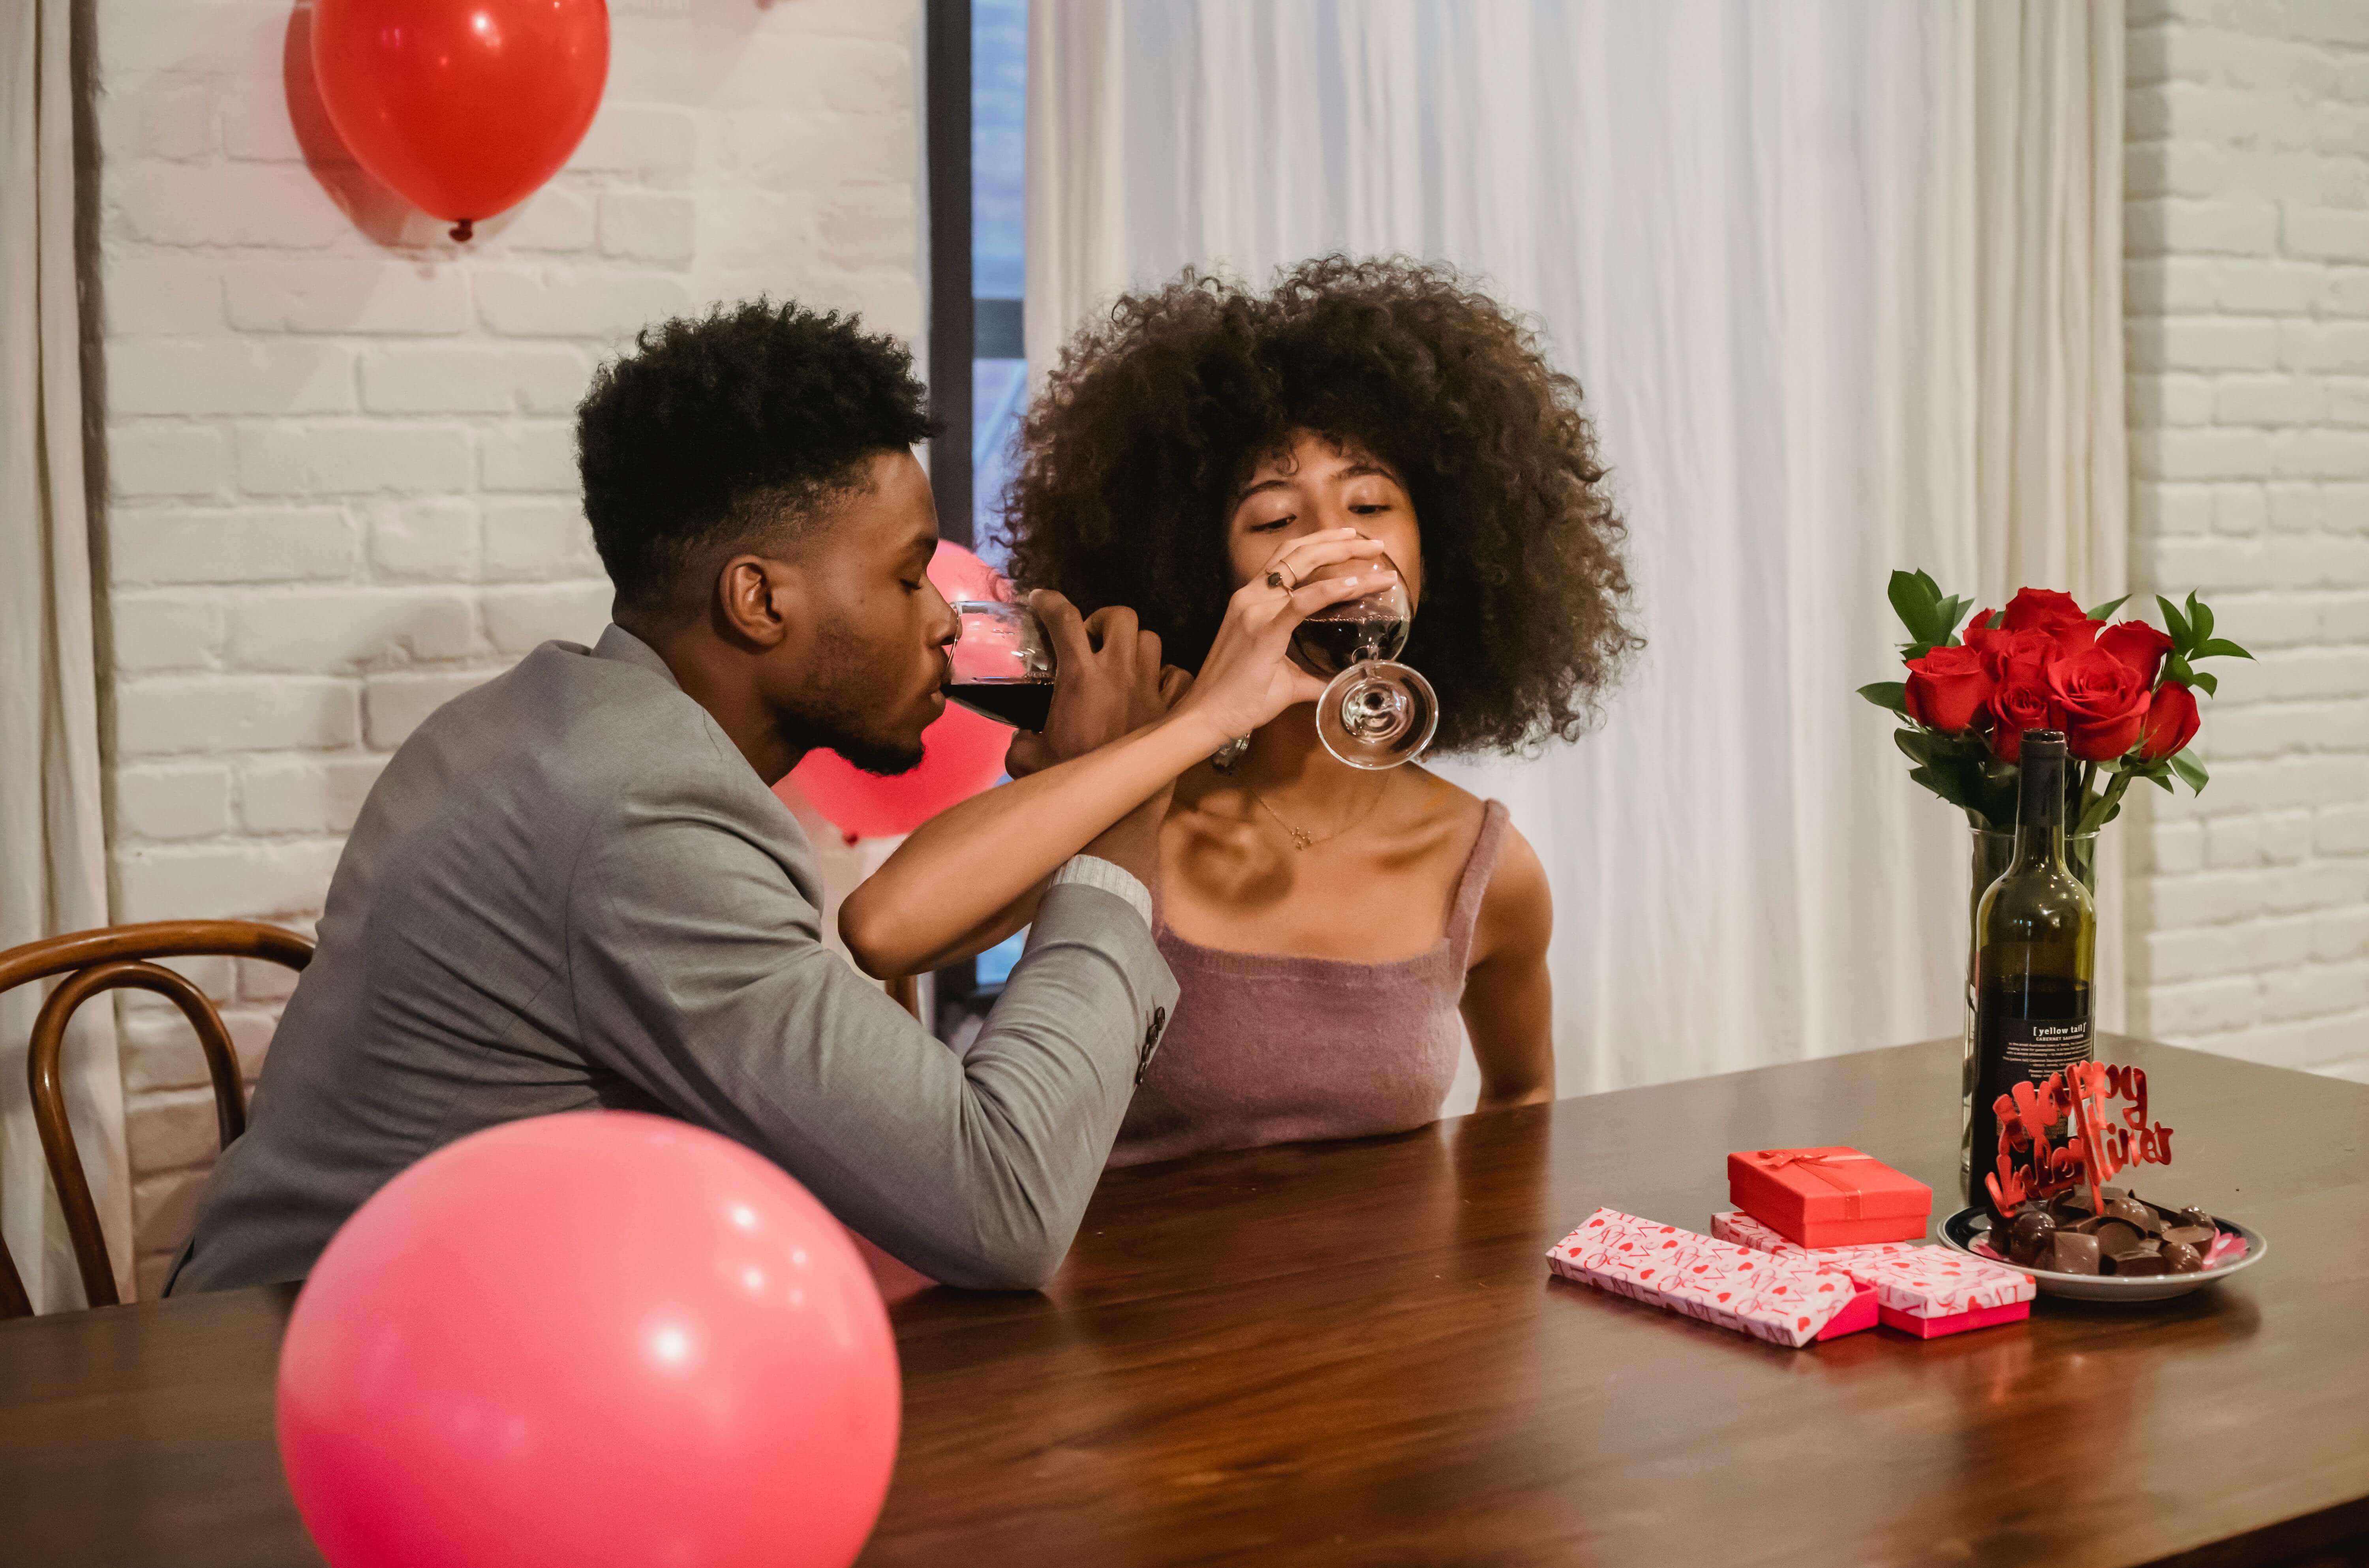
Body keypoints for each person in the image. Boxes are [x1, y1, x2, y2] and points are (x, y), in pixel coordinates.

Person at [169, 300, 1360, 1294]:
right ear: (758, 601)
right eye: (906, 576)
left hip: (450, 1322)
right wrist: (1146, 783)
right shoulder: (641, 814)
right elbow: (1002, 1206)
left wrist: (1090, 781)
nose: (948, 616)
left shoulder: (535, 722)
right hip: (322, 1404)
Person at [840, 257, 1639, 1165]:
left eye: (1370, 502)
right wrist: (1200, 724)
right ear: (1201, 569)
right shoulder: (1136, 808)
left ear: (1441, 545)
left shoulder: (1485, 869)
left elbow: (1524, 1096)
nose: (1332, 542)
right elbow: (885, 927)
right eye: (1272, 519)